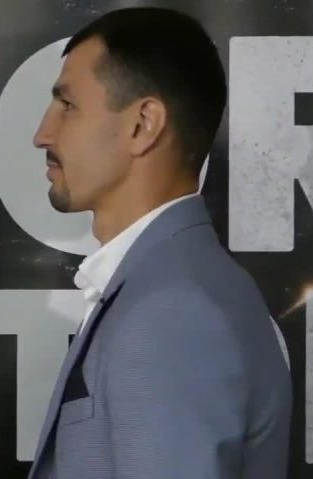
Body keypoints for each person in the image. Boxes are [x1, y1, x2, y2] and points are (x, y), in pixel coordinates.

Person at [29, 7, 291, 479]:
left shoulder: (174, 310)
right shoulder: (173, 289)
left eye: (67, 105)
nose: (41, 134)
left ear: (143, 124)